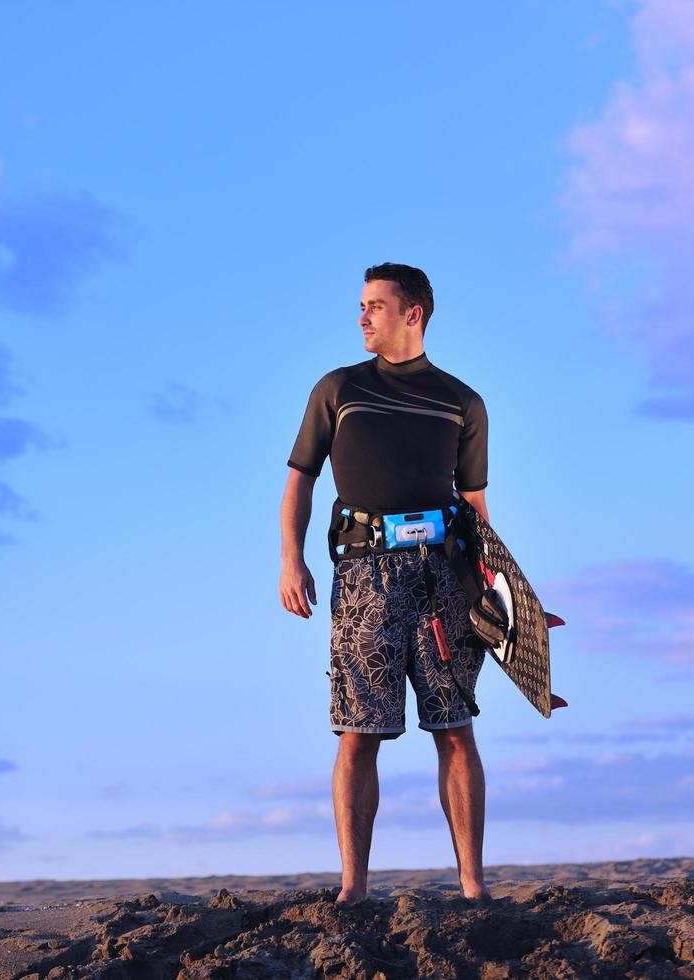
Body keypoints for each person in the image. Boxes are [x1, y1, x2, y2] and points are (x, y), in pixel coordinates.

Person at [278, 262, 492, 904]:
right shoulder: (338, 389)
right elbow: (299, 481)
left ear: (412, 314)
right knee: (359, 731)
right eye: (361, 305)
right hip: (364, 573)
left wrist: (504, 592)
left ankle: (473, 885)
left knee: (455, 727)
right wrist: (291, 560)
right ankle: (353, 889)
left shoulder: (462, 402)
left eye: (375, 305)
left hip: (443, 579)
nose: (362, 315)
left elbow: (477, 508)